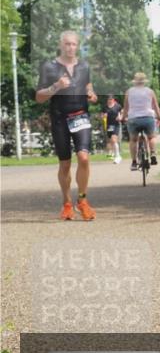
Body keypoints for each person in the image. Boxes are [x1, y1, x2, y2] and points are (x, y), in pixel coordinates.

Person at [35, 30, 99, 220]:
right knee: (65, 164)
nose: (71, 48)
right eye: (67, 44)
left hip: (80, 116)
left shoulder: (84, 66)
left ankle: (82, 200)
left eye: (73, 44)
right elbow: (39, 97)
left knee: (84, 158)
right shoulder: (49, 67)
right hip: (59, 118)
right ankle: (66, 203)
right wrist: (55, 87)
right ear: (60, 45)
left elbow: (89, 87)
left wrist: (92, 95)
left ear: (77, 46)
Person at [122, 72, 160, 171]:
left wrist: (123, 117)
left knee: (133, 140)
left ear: (135, 82)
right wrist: (159, 116)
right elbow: (155, 106)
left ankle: (134, 162)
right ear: (144, 82)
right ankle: (152, 154)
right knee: (151, 137)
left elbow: (126, 108)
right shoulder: (150, 91)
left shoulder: (129, 92)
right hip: (148, 117)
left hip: (133, 118)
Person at [104, 96, 123, 164]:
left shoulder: (118, 106)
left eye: (111, 99)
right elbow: (101, 115)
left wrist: (120, 117)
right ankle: (113, 154)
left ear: (113, 100)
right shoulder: (105, 107)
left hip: (116, 124)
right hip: (109, 126)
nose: (109, 100)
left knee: (113, 139)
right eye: (108, 99)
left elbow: (122, 113)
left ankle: (118, 156)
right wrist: (103, 116)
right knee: (110, 141)